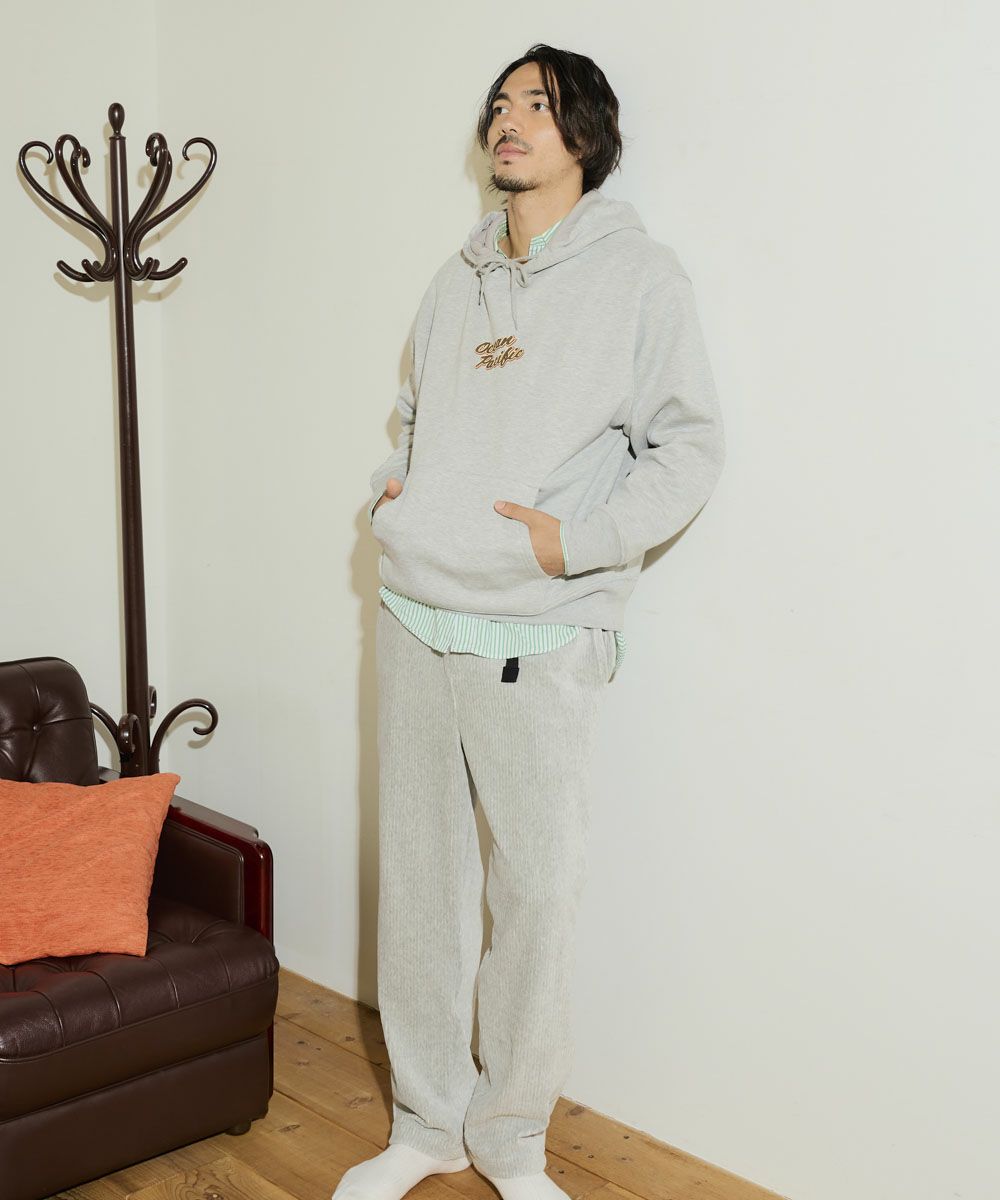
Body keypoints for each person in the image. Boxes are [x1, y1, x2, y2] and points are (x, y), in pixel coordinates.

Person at [335, 42, 726, 1200]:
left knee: (537, 898)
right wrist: (395, 494)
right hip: (416, 609)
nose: (509, 121)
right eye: (501, 105)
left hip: (541, 630)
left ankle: (510, 1140)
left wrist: (576, 543)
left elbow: (689, 445)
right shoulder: (454, 279)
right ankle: (426, 1126)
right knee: (420, 889)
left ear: (584, 136)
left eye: (538, 107)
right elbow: (414, 413)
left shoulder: (640, 278)